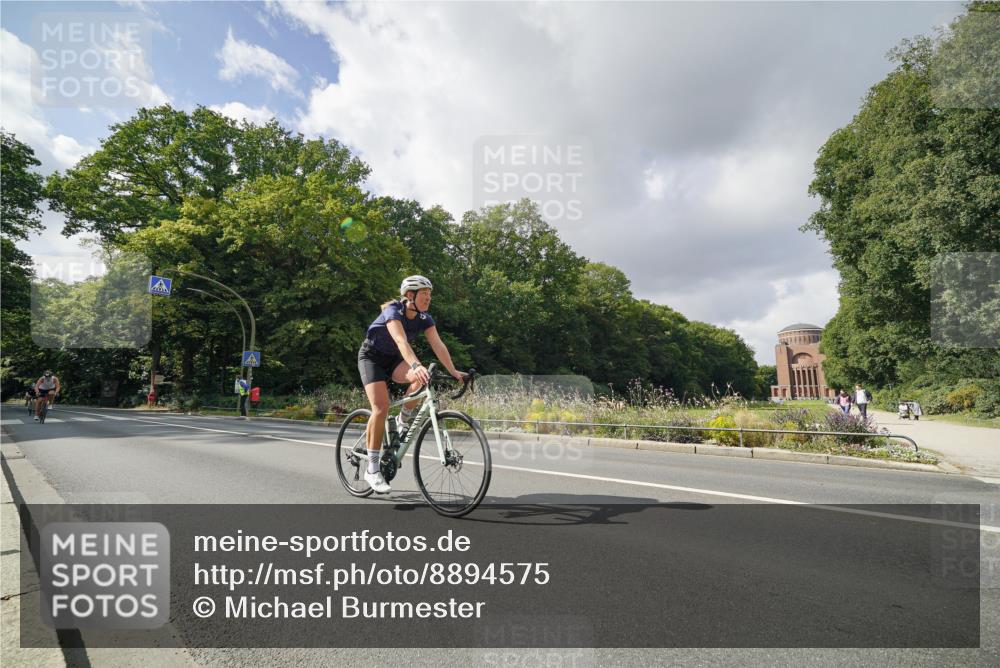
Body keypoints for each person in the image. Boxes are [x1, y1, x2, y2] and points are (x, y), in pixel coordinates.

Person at [358, 275, 465, 494]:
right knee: (380, 407)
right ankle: (372, 469)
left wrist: (454, 371)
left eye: (430, 294)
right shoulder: (393, 311)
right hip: (372, 358)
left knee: (421, 379)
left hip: (394, 360)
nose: (428, 298)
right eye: (424, 294)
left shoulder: (425, 318)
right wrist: (416, 364)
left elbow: (438, 344)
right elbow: (401, 341)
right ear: (410, 296)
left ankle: (402, 421)